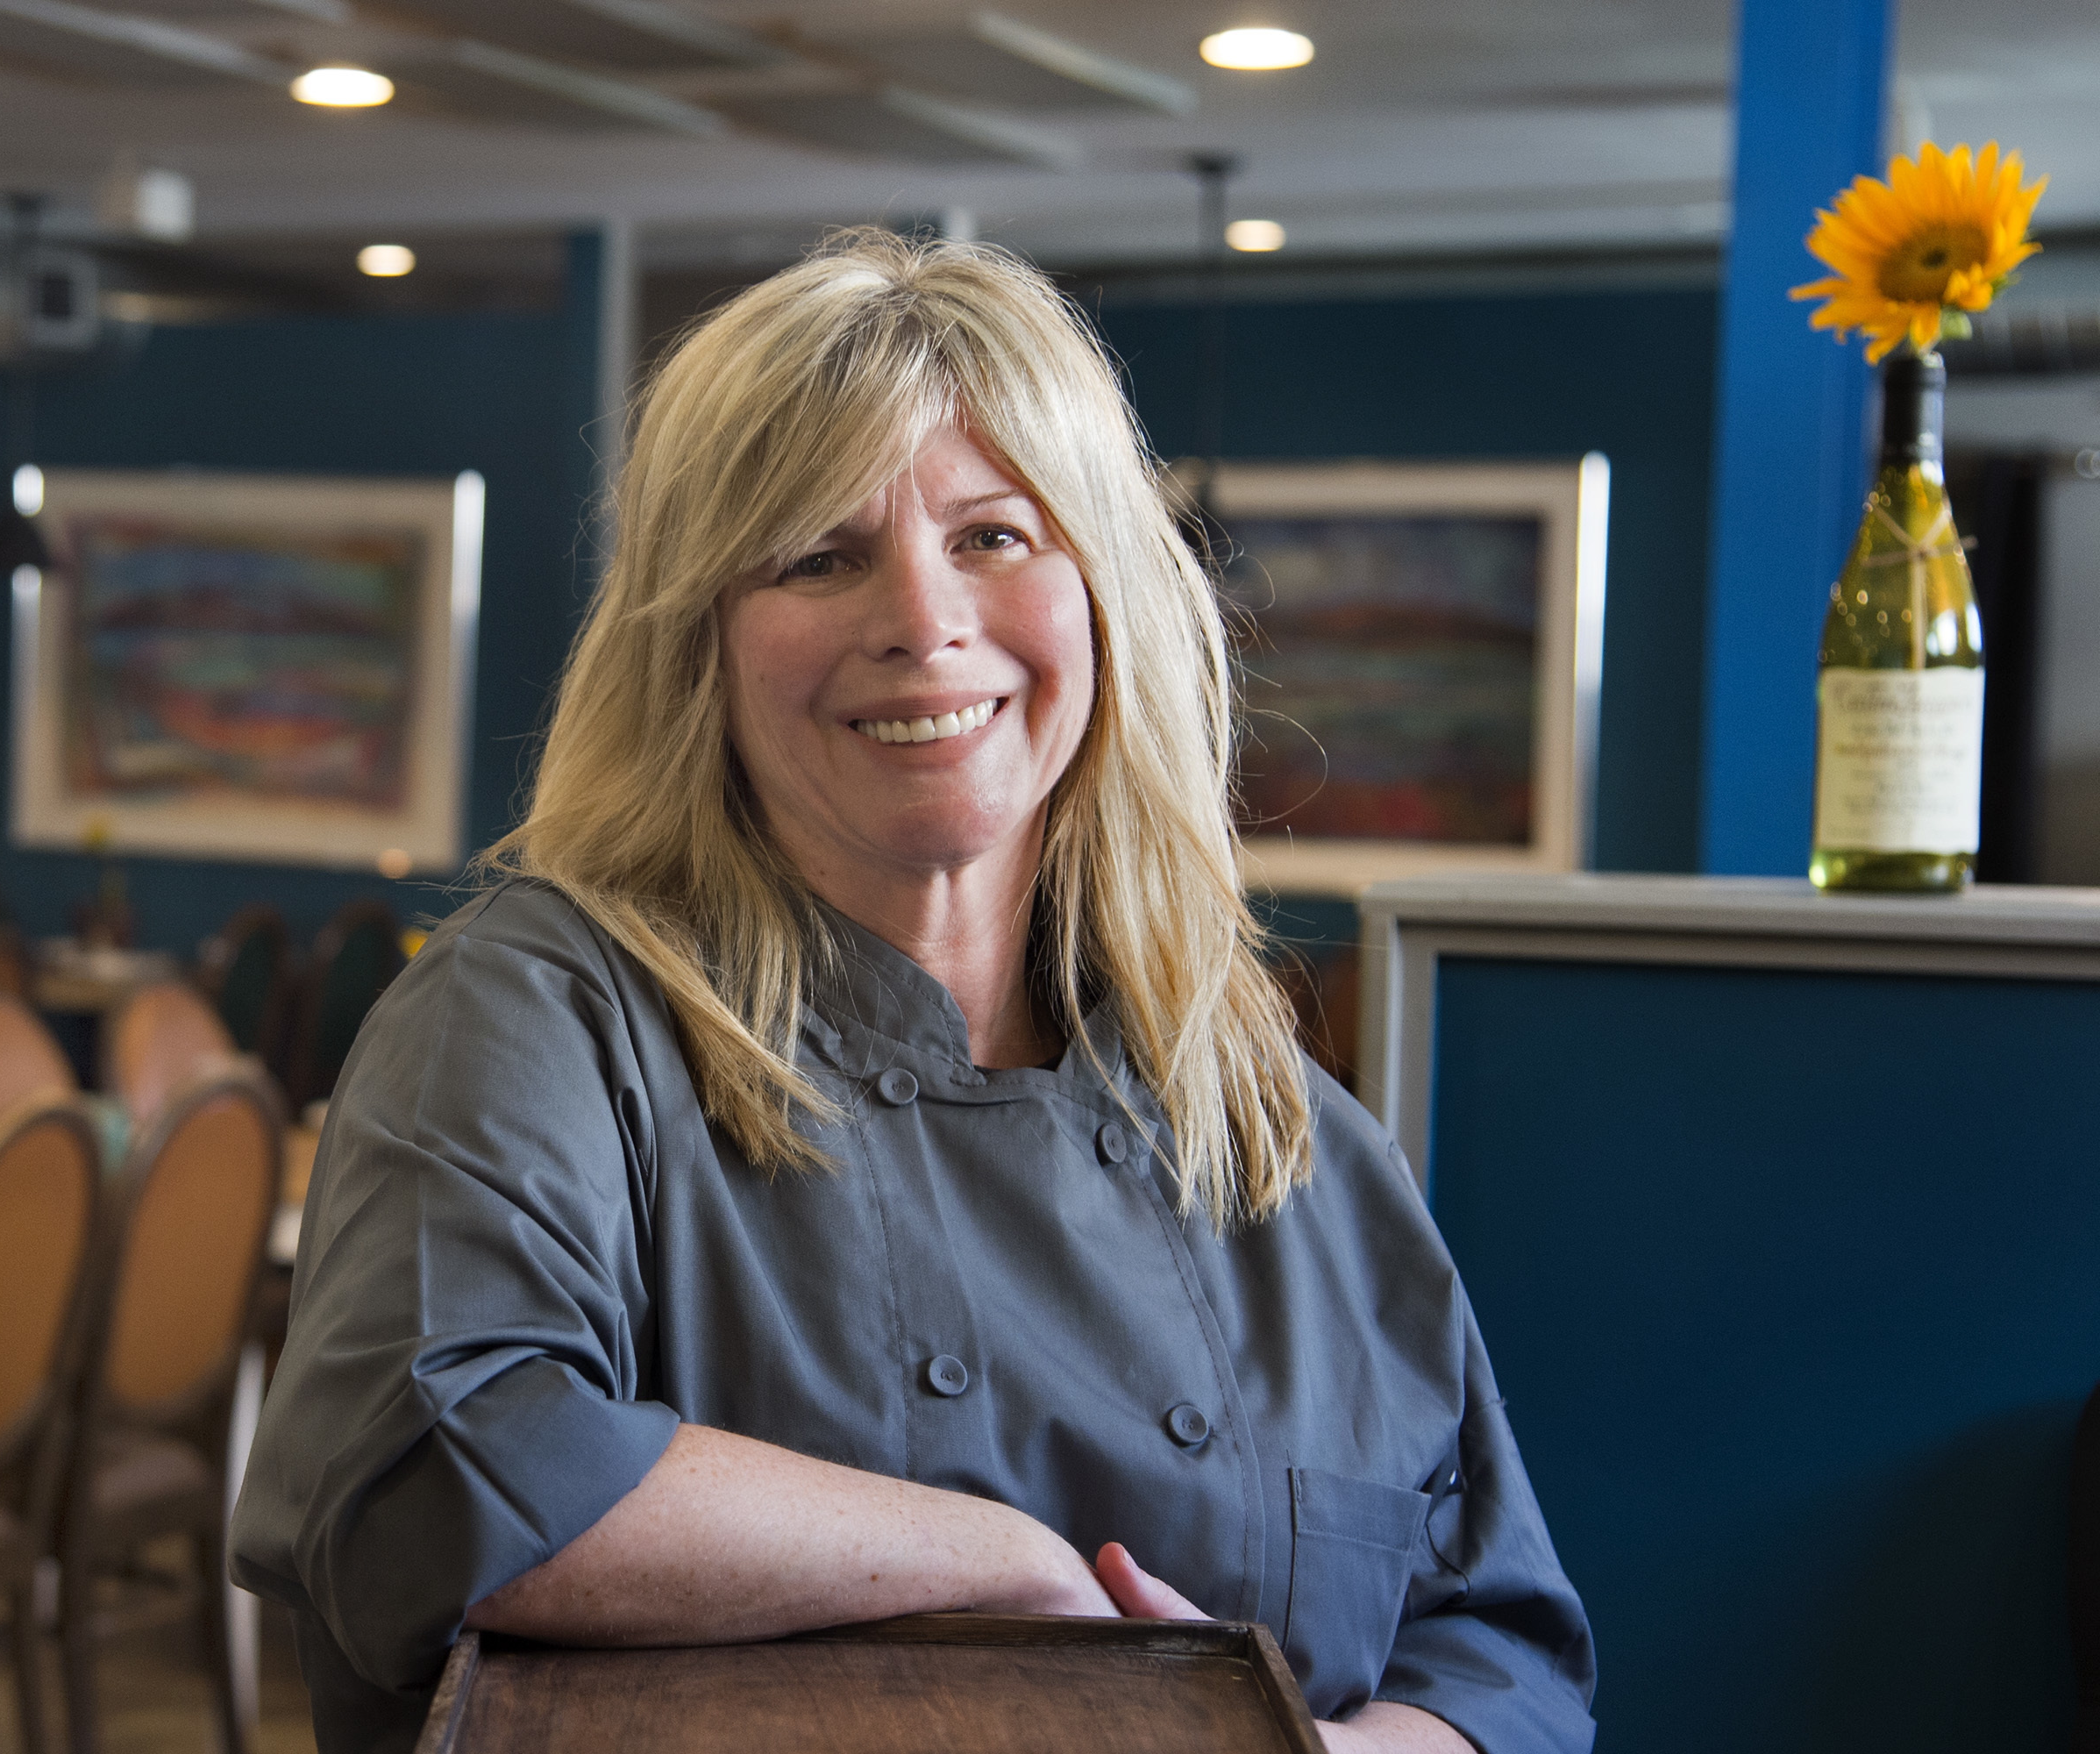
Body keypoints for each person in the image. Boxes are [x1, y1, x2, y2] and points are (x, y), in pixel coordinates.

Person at [231, 230, 1597, 1754]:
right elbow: (420, 1471)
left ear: (1104, 598)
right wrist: (1006, 1566)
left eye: (996, 536)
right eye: (818, 554)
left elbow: (1502, 1653)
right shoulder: (543, 1020)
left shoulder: (1277, 1123)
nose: (921, 618)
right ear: (698, 648)